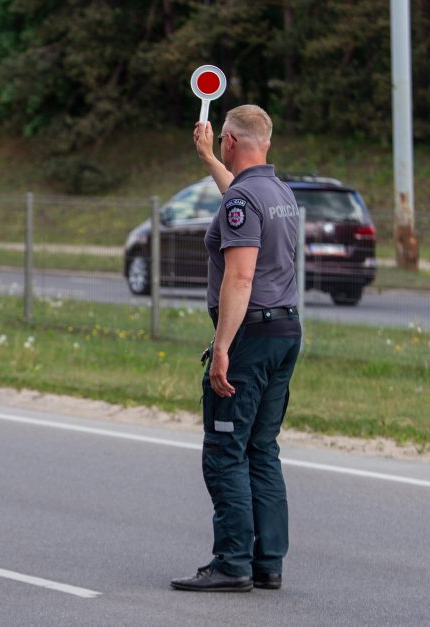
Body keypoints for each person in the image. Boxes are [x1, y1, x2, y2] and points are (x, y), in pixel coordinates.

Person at [170, 105, 302, 593]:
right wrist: (207, 159)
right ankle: (268, 562)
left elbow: (240, 276)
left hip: (250, 336)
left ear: (230, 140)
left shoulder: (241, 202)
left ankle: (232, 562)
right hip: (285, 331)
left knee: (227, 449)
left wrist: (222, 346)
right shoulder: (280, 192)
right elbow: (238, 192)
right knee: (261, 448)